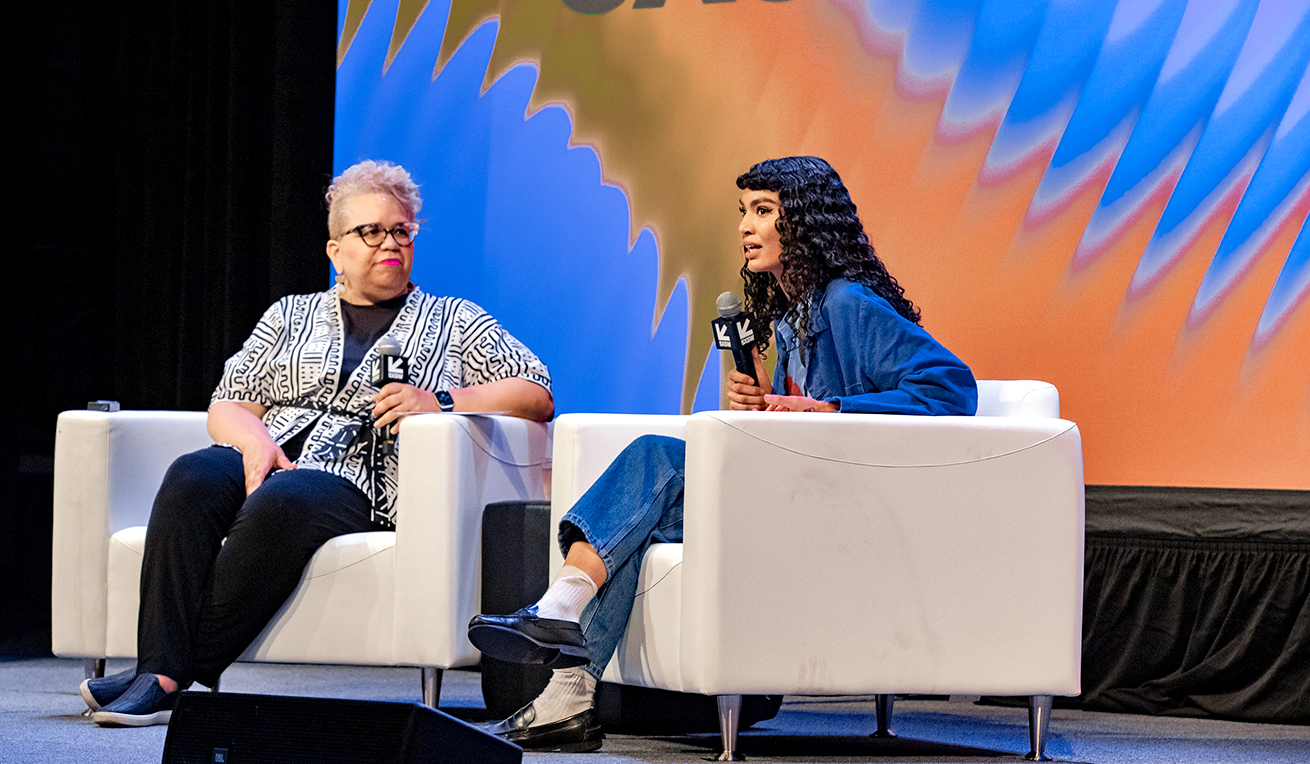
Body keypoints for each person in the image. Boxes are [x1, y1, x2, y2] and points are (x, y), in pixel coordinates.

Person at [466, 155, 976, 752]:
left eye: (764, 211)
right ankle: (567, 701)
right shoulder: (790, 319)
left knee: (656, 455)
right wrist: (758, 407)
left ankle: (559, 608)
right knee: (634, 523)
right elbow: (791, 430)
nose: (745, 226)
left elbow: (950, 386)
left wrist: (831, 409)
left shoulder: (846, 303)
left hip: (850, 508)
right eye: (743, 212)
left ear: (805, 222)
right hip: (795, 493)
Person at [81, 160, 555, 727]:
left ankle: (162, 673)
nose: (390, 244)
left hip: (362, 479)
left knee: (286, 500)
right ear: (335, 250)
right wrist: (254, 443)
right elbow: (228, 403)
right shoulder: (290, 314)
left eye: (402, 230)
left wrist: (444, 400)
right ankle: (160, 669)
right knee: (191, 476)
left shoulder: (454, 321)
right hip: (272, 453)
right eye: (370, 232)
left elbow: (536, 391)